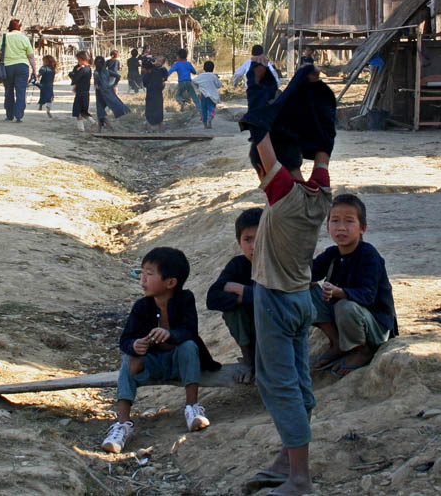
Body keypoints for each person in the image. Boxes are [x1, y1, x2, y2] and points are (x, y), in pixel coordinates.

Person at [238, 58, 334, 496]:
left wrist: (263, 94)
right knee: (298, 381)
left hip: (276, 301)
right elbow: (324, 145)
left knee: (278, 384)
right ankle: (286, 460)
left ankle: (300, 479)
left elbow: (262, 141)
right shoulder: (320, 196)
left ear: (267, 176)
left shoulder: (284, 196)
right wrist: (308, 92)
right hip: (301, 299)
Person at [100, 247, 221, 454]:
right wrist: (135, 346)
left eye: (149, 274)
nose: (143, 280)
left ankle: (192, 407)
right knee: (127, 360)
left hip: (179, 364)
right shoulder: (141, 307)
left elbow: (190, 331)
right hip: (153, 364)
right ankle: (122, 424)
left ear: (170, 283)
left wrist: (171, 334)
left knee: (188, 346)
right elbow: (126, 339)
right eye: (142, 274)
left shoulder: (185, 299)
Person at [309, 194, 397, 377]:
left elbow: (367, 296)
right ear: (327, 226)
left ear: (362, 228)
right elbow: (310, 273)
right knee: (306, 289)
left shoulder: (369, 255)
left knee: (345, 306)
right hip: (345, 318)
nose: (341, 227)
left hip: (375, 325)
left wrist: (339, 292)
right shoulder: (332, 253)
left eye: (349, 221)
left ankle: (361, 350)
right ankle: (337, 343)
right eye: (335, 221)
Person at [206, 207, 262, 384]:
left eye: (260, 238)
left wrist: (241, 290)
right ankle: (248, 360)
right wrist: (243, 298)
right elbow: (212, 298)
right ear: (239, 242)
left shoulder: (278, 264)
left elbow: (277, 298)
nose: (253, 246)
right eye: (248, 239)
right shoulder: (237, 265)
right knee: (233, 310)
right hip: (251, 329)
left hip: (277, 329)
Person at [0, 19, 37, 123]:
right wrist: (34, 70)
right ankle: (19, 115)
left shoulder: (5, 37)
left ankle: (9, 115)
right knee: (21, 91)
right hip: (22, 67)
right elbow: (30, 56)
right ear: (20, 27)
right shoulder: (24, 38)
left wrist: (1, 58)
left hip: (8, 67)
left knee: (8, 91)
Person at [93, 55, 130, 132]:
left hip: (100, 93)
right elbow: (118, 76)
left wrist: (97, 85)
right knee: (109, 107)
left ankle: (108, 127)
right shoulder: (107, 71)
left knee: (100, 110)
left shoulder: (96, 72)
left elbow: (96, 84)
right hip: (109, 91)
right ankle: (101, 128)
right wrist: (113, 84)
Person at [142, 57, 169, 133]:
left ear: (147, 68)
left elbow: (145, 84)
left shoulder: (147, 75)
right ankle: (161, 130)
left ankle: (150, 130)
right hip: (158, 95)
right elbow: (162, 83)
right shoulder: (159, 71)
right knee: (159, 111)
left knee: (149, 112)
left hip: (150, 96)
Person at [193, 60, 221, 129]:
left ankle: (205, 124)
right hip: (212, 96)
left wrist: (198, 87)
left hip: (203, 96)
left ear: (204, 68)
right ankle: (210, 117)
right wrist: (217, 78)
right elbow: (219, 85)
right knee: (211, 108)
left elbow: (193, 81)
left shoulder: (201, 76)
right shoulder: (214, 76)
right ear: (213, 68)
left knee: (204, 110)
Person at [69, 51, 93, 131]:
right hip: (86, 92)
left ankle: (81, 127)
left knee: (77, 110)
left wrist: (72, 74)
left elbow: (75, 78)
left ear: (84, 59)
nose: (78, 62)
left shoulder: (83, 69)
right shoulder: (89, 68)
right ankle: (92, 122)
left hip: (80, 92)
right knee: (83, 110)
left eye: (79, 60)